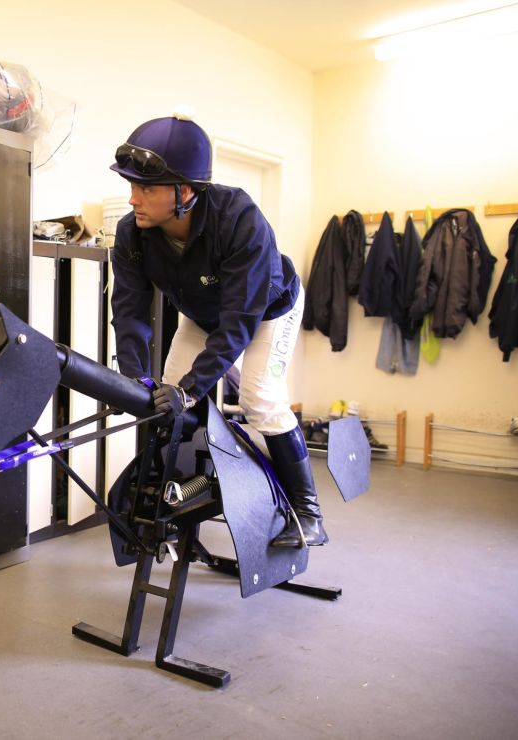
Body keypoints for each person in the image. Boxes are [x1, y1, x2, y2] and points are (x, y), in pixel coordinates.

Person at [109, 113, 326, 549]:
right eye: (131, 186)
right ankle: (180, 503)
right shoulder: (132, 233)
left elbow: (240, 321)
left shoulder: (239, 219)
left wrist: (191, 390)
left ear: (184, 191)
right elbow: (130, 312)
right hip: (202, 313)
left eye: (146, 188)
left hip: (268, 310)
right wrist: (134, 379)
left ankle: (308, 514)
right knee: (163, 396)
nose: (133, 198)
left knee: (258, 396)